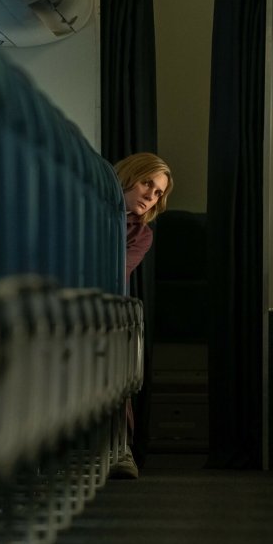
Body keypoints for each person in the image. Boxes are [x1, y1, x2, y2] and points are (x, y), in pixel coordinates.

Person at [109, 152, 174, 479]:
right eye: (147, 183)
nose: (151, 195)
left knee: (116, 357)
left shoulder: (140, 234)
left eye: (159, 192)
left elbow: (112, 273)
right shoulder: (82, 208)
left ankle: (121, 448)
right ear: (128, 176)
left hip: (105, 311)